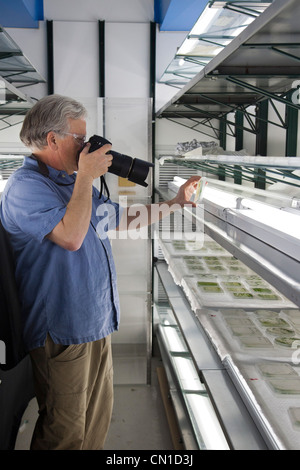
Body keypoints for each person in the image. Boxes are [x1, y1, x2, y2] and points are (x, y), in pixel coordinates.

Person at [0, 94, 200, 450]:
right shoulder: (25, 187)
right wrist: (86, 177)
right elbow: (71, 238)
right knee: (65, 432)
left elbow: (120, 219)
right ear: (53, 139)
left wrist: (175, 204)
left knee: (94, 425)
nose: (87, 146)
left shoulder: (71, 183)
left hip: (94, 323)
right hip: (61, 331)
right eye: (79, 139)